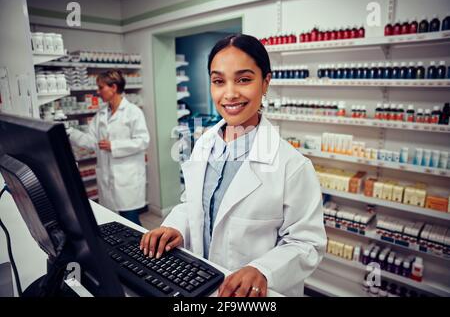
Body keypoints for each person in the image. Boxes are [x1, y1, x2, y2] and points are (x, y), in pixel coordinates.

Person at [140, 34, 326, 296]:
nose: (229, 93)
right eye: (218, 81)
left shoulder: (293, 165)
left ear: (265, 83)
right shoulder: (205, 144)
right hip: (199, 282)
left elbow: (307, 243)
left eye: (244, 79)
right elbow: (192, 204)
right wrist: (175, 227)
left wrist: (263, 270)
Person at [67, 70, 150, 226]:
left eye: (101, 87)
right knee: (115, 222)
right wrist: (69, 132)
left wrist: (114, 146)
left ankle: (141, 249)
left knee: (131, 221)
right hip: (107, 178)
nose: (98, 92)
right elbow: (91, 142)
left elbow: (143, 141)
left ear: (113, 87)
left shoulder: (133, 112)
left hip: (127, 178)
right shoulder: (101, 115)